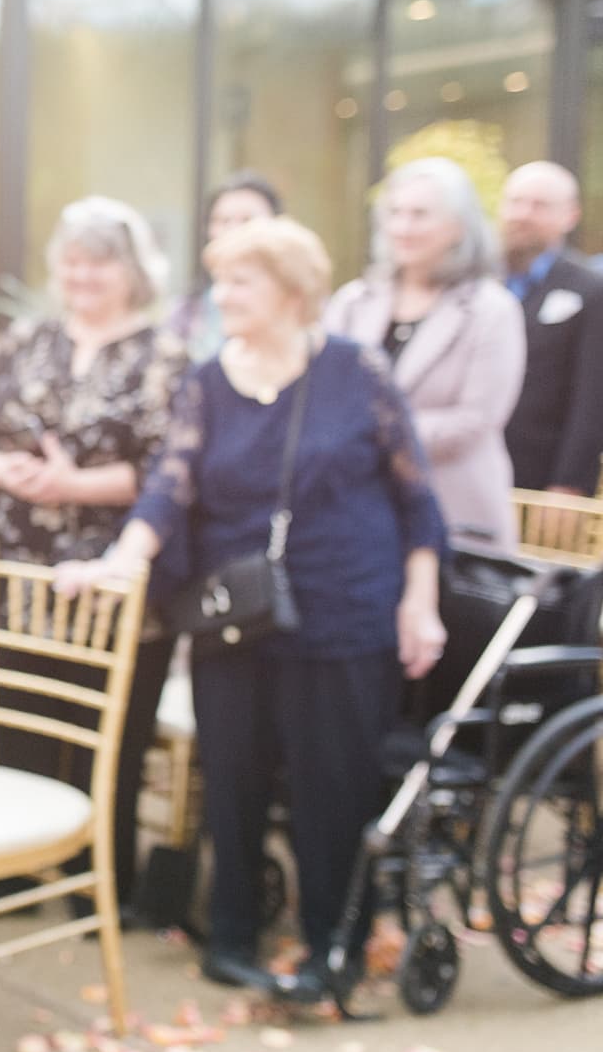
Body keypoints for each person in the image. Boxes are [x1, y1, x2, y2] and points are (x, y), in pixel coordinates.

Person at [60, 217, 446, 1000]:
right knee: (230, 783)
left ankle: (330, 943)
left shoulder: (357, 373)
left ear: (295, 293)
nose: (223, 296)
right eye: (220, 280)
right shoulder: (206, 384)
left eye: (243, 281)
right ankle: (231, 937)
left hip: (344, 607)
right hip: (235, 615)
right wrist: (122, 560)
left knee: (330, 785)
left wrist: (422, 599)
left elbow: (418, 499)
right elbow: (170, 485)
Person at [0, 196, 189, 910]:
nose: (82, 274)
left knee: (105, 737)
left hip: (112, 574)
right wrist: (4, 470)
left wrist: (73, 484)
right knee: (19, 719)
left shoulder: (165, 354)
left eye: (100, 261)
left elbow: (172, 467)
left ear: (132, 271)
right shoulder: (21, 340)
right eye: (73, 259)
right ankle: (15, 876)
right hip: (20, 566)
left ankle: (100, 891)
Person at [325, 158, 525, 550]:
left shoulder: (491, 309)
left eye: (420, 215)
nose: (403, 227)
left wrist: (373, 431)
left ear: (458, 227)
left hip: (452, 513)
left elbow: (476, 421)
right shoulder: (354, 300)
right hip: (356, 511)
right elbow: (320, 394)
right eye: (395, 213)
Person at [498, 162, 603, 495]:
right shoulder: (476, 281)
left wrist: (569, 482)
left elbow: (592, 396)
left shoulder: (590, 288)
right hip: (473, 473)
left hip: (541, 479)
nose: (522, 214)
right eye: (515, 202)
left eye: (539, 205)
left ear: (570, 215)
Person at [169, 172, 284, 361]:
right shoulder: (187, 309)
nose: (233, 229)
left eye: (247, 219)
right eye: (223, 221)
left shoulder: (299, 302)